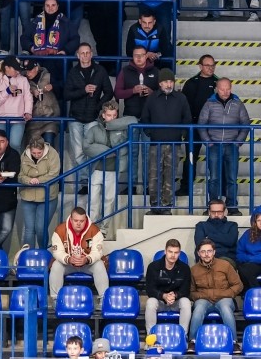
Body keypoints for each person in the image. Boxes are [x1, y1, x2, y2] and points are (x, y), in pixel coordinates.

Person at [141, 68, 191, 213]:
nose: (169, 84)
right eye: (165, 82)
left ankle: (166, 205)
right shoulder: (152, 98)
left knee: (170, 175)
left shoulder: (181, 98)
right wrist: (151, 133)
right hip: (155, 143)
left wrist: (181, 134)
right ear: (160, 83)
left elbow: (187, 118)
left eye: (171, 81)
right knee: (154, 175)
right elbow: (145, 118)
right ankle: (154, 206)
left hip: (174, 143)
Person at [83, 100, 136, 237]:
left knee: (109, 200)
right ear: (103, 115)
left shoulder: (121, 129)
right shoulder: (94, 129)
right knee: (93, 201)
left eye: (114, 115)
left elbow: (133, 120)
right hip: (96, 169)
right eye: (109, 115)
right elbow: (86, 147)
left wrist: (112, 125)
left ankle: (103, 229)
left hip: (112, 170)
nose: (111, 118)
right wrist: (108, 152)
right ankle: (91, 228)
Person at [198, 79, 250, 215]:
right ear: (216, 89)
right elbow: (201, 124)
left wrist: (238, 142)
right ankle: (213, 206)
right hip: (214, 146)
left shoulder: (238, 103)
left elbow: (246, 124)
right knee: (214, 178)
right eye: (222, 89)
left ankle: (232, 207)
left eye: (228, 89)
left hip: (231, 146)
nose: (225, 92)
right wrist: (208, 142)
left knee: (232, 178)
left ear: (231, 88)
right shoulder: (209, 103)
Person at [188, 237, 243, 352]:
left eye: (209, 251)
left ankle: (234, 342)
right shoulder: (193, 270)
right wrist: (205, 295)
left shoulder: (225, 265)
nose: (206, 254)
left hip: (224, 298)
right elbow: (191, 292)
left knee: (226, 308)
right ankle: (192, 342)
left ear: (214, 252)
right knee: (198, 308)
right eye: (203, 252)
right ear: (198, 253)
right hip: (204, 299)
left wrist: (224, 294)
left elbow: (238, 285)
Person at [64, 43, 114, 168]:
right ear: (78, 55)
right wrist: (84, 90)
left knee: (91, 152)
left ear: (91, 54)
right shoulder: (73, 72)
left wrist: (98, 106)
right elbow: (66, 95)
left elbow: (109, 92)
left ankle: (89, 178)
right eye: (82, 53)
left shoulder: (100, 70)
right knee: (78, 153)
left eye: (87, 53)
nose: (85, 55)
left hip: (93, 118)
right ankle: (85, 178)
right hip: (76, 118)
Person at [48, 206, 109, 301]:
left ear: (86, 220)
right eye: (76, 221)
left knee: (99, 265)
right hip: (68, 264)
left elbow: (97, 252)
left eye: (81, 221)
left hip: (87, 264)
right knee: (56, 265)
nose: (79, 224)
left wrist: (87, 259)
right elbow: (57, 252)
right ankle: (56, 299)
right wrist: (68, 259)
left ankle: (104, 299)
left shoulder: (94, 230)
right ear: (71, 220)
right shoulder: (60, 230)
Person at [180, 56, 219, 198]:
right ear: (200, 66)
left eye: (213, 65)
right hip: (194, 126)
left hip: (212, 128)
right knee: (191, 158)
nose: (211, 68)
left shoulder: (218, 83)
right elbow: (184, 107)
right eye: (207, 65)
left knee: (215, 159)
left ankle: (217, 190)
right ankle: (186, 187)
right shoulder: (191, 83)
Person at [21, 0, 81, 86]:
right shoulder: (36, 21)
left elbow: (75, 39)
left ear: (57, 6)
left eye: (53, 5)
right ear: (44, 7)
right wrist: (31, 48)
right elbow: (24, 38)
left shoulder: (65, 21)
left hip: (58, 60)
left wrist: (65, 50)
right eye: (47, 5)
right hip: (39, 59)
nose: (50, 8)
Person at [18, 136, 60, 249]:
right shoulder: (24, 155)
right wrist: (28, 180)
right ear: (30, 150)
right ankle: (28, 256)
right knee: (29, 229)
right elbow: (20, 175)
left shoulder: (53, 154)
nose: (36, 155)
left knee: (41, 228)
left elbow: (54, 174)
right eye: (34, 153)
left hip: (47, 197)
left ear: (43, 148)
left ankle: (43, 253)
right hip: (27, 196)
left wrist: (38, 180)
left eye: (39, 153)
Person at [145, 238, 192, 336]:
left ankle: (182, 336)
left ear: (179, 253)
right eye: (170, 252)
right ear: (165, 251)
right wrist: (164, 296)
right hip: (160, 301)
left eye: (176, 252)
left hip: (176, 301)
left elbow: (186, 290)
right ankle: (151, 337)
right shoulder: (153, 267)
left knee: (186, 302)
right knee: (150, 302)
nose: (173, 255)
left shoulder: (185, 268)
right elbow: (150, 289)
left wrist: (175, 295)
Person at [0, 57, 33, 152]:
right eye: (15, 69)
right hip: (0, 119)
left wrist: (28, 112)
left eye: (18, 69)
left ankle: (15, 162)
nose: (18, 71)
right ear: (7, 68)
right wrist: (6, 92)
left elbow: (28, 98)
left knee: (14, 145)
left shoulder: (23, 80)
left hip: (18, 118)